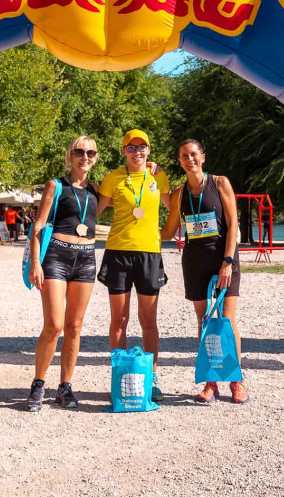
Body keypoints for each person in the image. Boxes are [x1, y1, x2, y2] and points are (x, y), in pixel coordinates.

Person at [161, 139, 248, 404]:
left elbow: (233, 224)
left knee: (227, 322)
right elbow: (167, 232)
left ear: (203, 157)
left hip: (223, 260)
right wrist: (132, 229)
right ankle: (211, 382)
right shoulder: (178, 194)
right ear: (180, 161)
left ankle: (236, 380)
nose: (190, 159)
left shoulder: (220, 183)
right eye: (184, 156)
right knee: (204, 323)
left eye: (194, 154)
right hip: (194, 261)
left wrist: (228, 261)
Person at [26, 136, 101, 412]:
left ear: (95, 158)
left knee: (75, 326)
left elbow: (128, 186)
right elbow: (38, 226)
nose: (85, 156)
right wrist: (36, 262)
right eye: (79, 151)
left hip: (86, 260)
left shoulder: (97, 191)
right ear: (70, 155)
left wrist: (151, 168)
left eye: (91, 152)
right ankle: (38, 383)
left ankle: (65, 386)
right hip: (56, 256)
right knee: (55, 325)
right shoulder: (55, 185)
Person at [96, 129, 171, 403]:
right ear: (123, 150)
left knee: (148, 320)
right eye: (131, 147)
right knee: (119, 320)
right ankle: (119, 377)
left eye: (142, 147)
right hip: (118, 252)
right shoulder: (113, 178)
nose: (137, 152)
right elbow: (94, 210)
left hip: (150, 253)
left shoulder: (157, 175)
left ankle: (151, 377)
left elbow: (174, 205)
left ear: (149, 150)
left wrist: (171, 230)